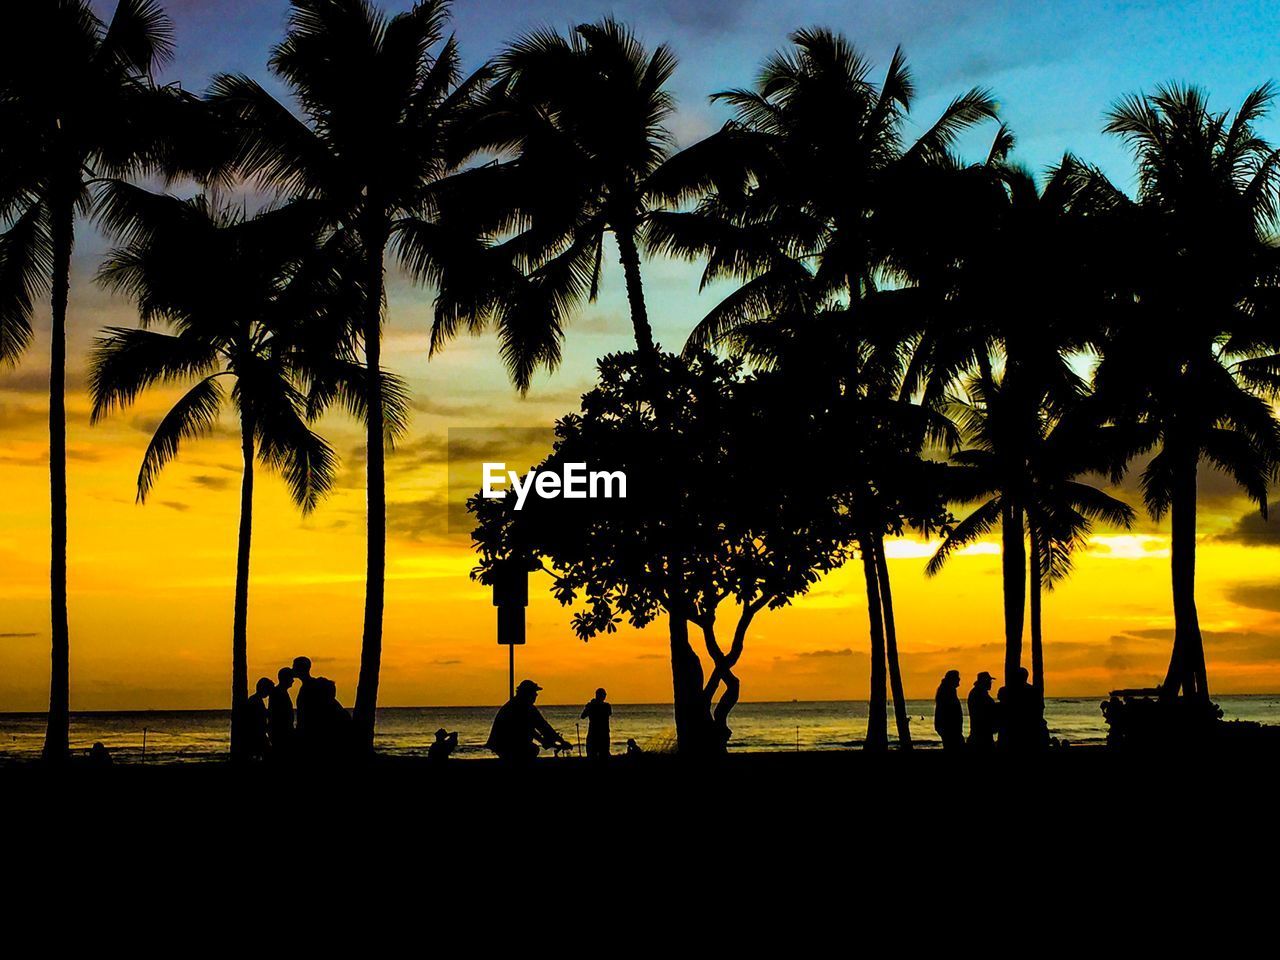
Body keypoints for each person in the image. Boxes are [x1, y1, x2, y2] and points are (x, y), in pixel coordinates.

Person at [485, 679, 571, 762]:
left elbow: (532, 729)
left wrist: (550, 741)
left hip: (499, 745)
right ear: (528, 693)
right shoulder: (525, 707)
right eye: (534, 692)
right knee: (532, 750)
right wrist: (560, 741)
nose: (536, 695)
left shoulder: (513, 704)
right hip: (509, 745)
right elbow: (543, 727)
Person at [240, 677, 273, 761]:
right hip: (256, 734)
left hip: (257, 734)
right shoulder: (255, 700)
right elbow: (258, 717)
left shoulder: (255, 699)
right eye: (268, 690)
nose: (269, 693)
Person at [967, 671, 998, 751]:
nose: (990, 683)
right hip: (981, 733)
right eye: (989, 681)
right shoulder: (979, 693)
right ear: (984, 682)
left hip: (982, 731)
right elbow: (986, 711)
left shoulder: (979, 692)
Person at [933, 670, 964, 751]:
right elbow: (950, 712)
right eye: (957, 678)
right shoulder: (947, 691)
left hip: (950, 728)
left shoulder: (947, 690)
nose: (959, 679)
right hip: (950, 729)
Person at [269, 666, 295, 759]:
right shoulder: (278, 692)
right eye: (291, 678)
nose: (293, 681)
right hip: (281, 733)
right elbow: (278, 714)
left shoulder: (280, 692)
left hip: (282, 731)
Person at [580, 687, 612, 761]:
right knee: (599, 755)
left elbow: (583, 716)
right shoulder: (606, 706)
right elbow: (583, 716)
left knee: (598, 755)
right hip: (598, 734)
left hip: (599, 733)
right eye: (603, 695)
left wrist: (590, 705)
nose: (604, 697)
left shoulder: (603, 706)